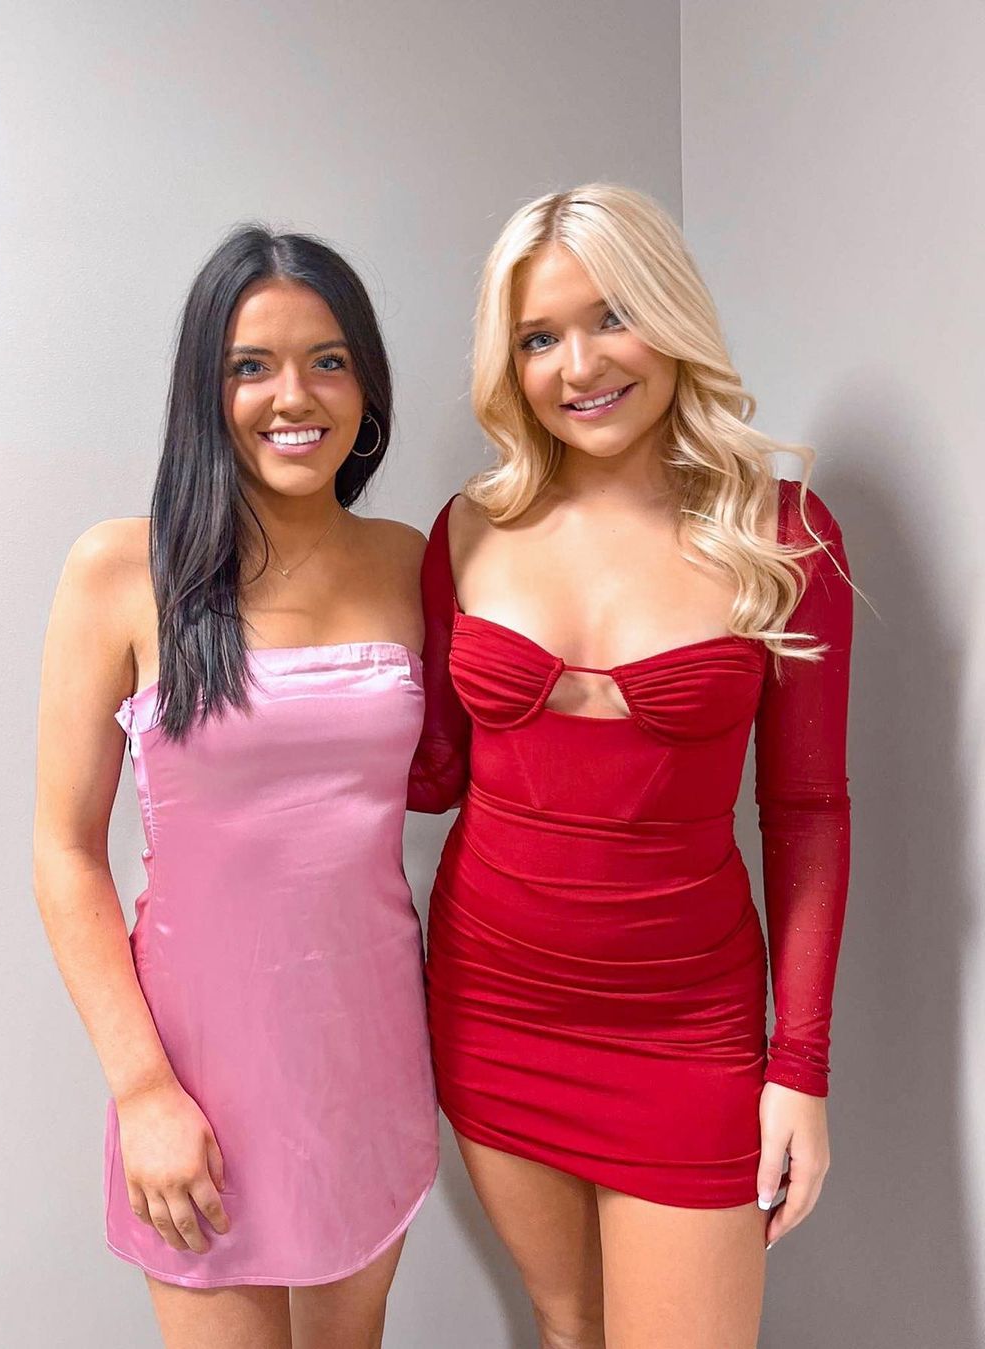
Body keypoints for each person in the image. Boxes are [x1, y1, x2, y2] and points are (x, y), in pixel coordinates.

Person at [408, 183, 854, 1348]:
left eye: (612, 316)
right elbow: (428, 772)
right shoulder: (468, 527)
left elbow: (807, 810)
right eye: (539, 337)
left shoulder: (784, 533)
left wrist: (798, 1065)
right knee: (566, 1328)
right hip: (491, 1004)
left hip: (686, 1027)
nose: (581, 364)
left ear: (671, 312)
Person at [32, 226, 438, 1349]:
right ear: (203, 392)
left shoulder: (411, 561)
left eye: (328, 360)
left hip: (369, 1053)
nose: (291, 396)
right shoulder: (121, 568)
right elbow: (64, 852)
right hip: (193, 1070)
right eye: (249, 366)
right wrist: (142, 1090)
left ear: (368, 383)